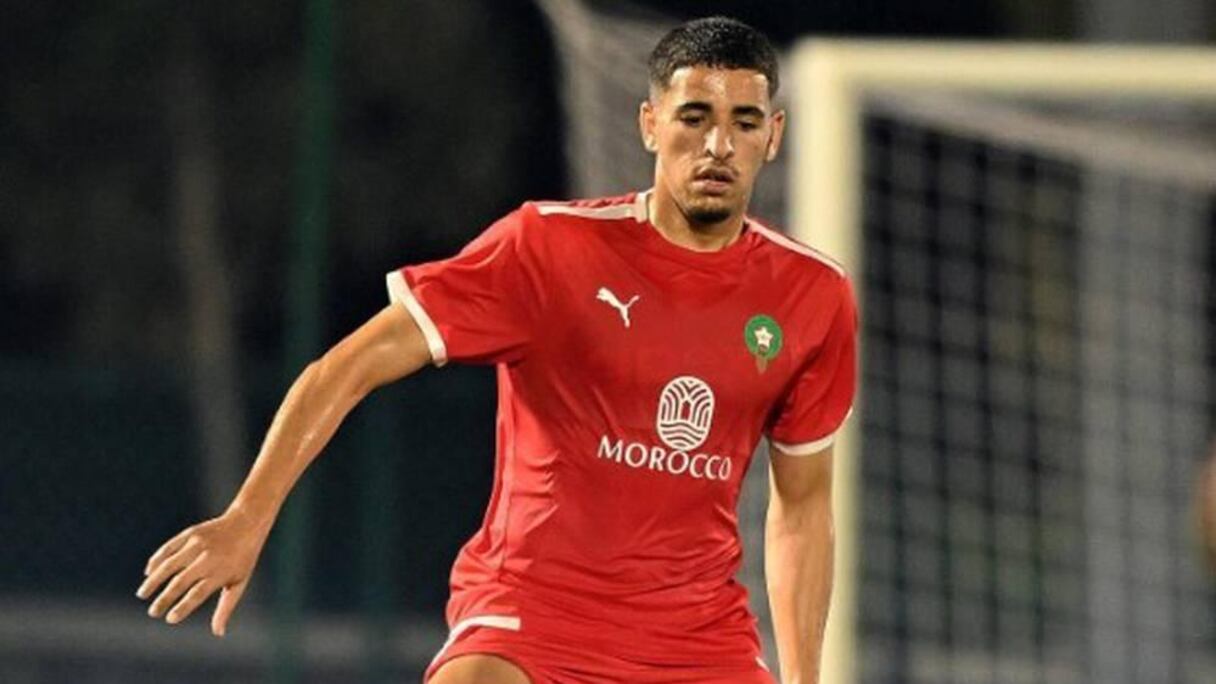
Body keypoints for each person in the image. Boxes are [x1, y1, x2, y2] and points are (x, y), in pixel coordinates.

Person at [136, 16, 857, 684]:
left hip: (696, 640)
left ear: (774, 135)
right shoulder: (548, 248)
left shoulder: (813, 296)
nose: (718, 146)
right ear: (649, 124)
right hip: (531, 614)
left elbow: (802, 506)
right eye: (694, 118)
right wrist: (248, 516)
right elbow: (347, 366)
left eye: (744, 122)